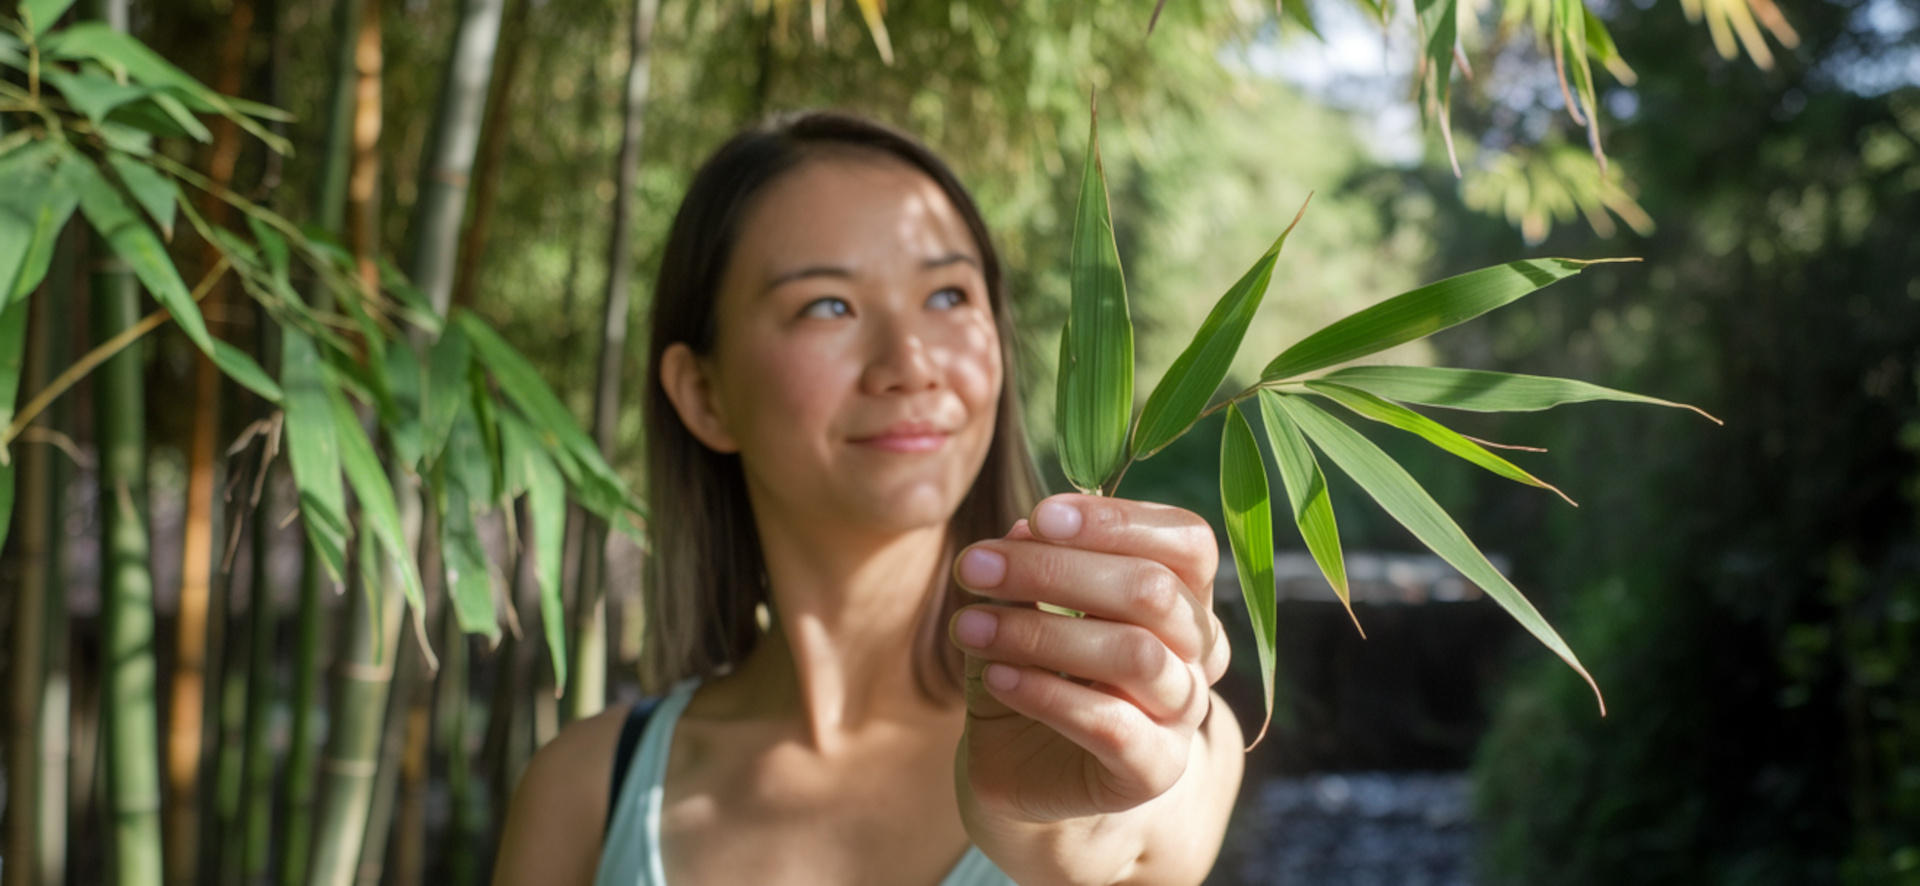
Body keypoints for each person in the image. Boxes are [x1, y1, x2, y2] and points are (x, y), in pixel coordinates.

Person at [491, 111, 1244, 886]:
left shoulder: (1129, 724)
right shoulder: (586, 790)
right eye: (828, 305)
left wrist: (1069, 832)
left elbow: (1145, 818)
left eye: (949, 295)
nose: (911, 363)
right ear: (705, 394)